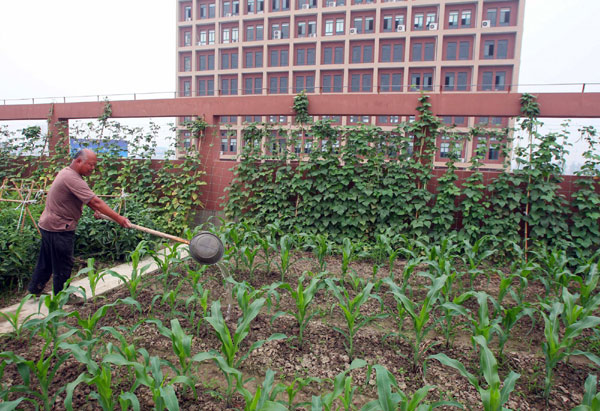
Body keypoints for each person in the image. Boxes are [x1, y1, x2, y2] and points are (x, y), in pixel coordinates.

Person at [27, 148, 132, 301]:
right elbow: (95, 201)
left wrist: (97, 211)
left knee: (47, 260)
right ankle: (63, 296)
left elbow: (86, 200)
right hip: (59, 227)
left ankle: (35, 288)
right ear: (78, 161)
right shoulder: (72, 178)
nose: (92, 168)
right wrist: (119, 219)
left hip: (49, 224)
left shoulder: (67, 173)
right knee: (64, 264)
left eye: (94, 165)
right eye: (91, 165)